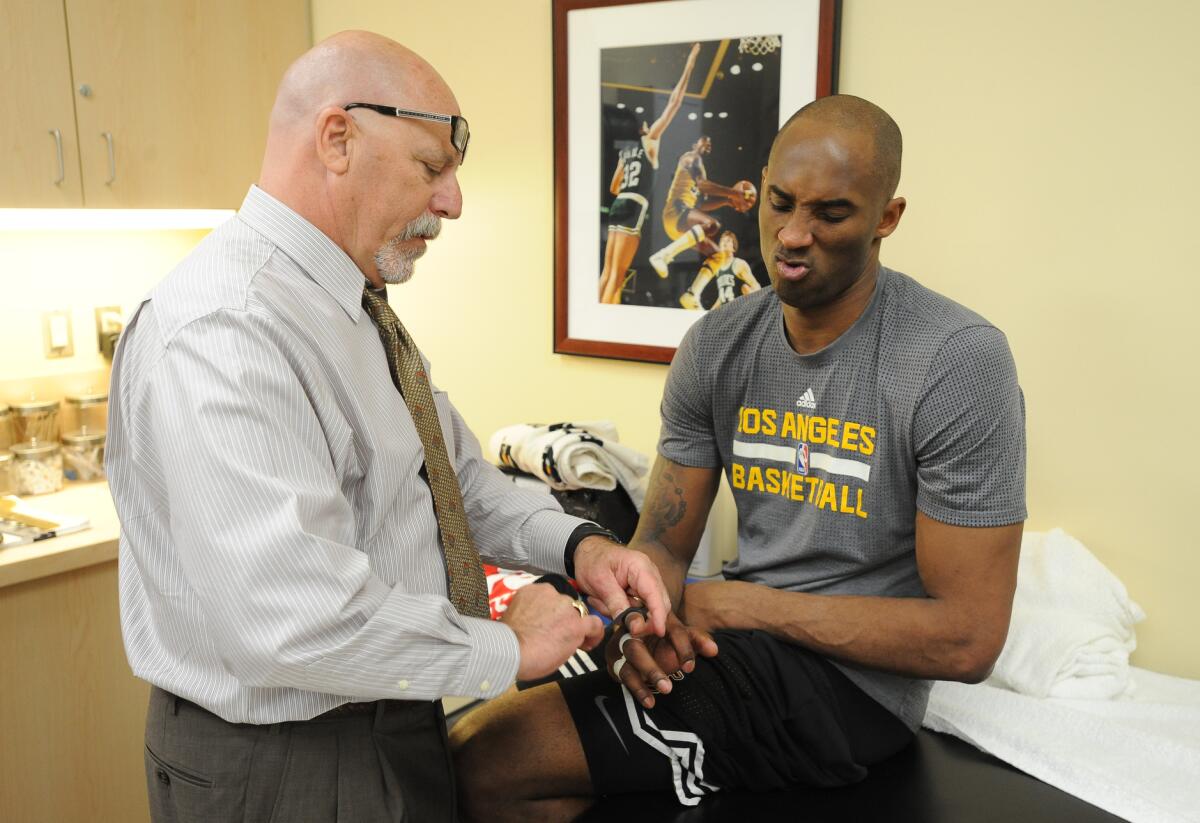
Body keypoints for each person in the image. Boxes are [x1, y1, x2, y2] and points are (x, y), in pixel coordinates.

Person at [105, 31, 669, 823]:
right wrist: (506, 648)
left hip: (393, 718)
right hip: (287, 762)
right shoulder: (226, 328)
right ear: (337, 137)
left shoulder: (354, 307)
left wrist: (582, 547)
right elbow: (291, 615)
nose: (454, 201)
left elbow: (452, 484)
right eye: (432, 167)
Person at [450, 94, 1026, 820]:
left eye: (831, 214)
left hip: (855, 689)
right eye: (780, 202)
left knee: (486, 760)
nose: (791, 234)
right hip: (733, 635)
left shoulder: (955, 361)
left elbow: (969, 639)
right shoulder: (718, 345)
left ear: (887, 218)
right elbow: (659, 543)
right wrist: (643, 626)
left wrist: (740, 604)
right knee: (478, 727)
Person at [599, 42, 700, 305]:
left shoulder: (626, 153)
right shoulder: (650, 141)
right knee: (618, 275)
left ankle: (600, 312)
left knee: (607, 270)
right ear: (644, 129)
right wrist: (690, 62)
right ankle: (610, 319)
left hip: (618, 204)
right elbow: (675, 103)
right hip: (634, 206)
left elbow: (613, 188)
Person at [647, 135, 756, 279]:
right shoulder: (692, 157)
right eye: (705, 142)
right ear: (694, 145)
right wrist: (734, 193)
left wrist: (727, 201)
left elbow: (701, 205)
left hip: (681, 223)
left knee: (718, 256)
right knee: (712, 225)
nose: (708, 145)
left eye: (710, 144)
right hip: (677, 210)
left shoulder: (700, 170)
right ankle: (662, 256)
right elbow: (703, 186)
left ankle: (691, 295)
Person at [678, 229, 761, 310]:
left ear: (734, 248)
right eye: (722, 240)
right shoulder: (718, 268)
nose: (724, 242)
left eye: (728, 240)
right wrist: (712, 311)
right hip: (725, 311)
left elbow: (756, 286)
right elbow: (722, 297)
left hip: (738, 310)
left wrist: (750, 300)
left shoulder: (739, 264)